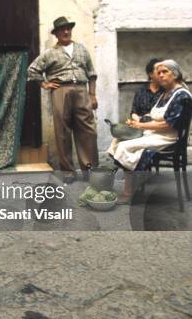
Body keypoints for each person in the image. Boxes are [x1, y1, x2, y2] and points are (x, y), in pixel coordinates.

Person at [108, 59, 192, 203]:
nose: (160, 75)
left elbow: (169, 124)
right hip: (156, 134)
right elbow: (156, 118)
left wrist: (141, 126)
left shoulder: (182, 95)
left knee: (124, 146)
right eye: (158, 72)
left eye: (165, 71)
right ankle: (135, 184)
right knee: (119, 140)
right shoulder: (166, 94)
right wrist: (137, 123)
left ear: (176, 74)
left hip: (169, 138)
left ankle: (128, 193)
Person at [27, 16, 99, 182]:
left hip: (82, 89)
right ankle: (67, 170)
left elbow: (92, 74)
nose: (66, 32)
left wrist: (92, 95)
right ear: (56, 33)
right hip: (60, 90)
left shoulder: (82, 49)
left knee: (88, 131)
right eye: (62, 29)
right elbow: (32, 70)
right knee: (63, 131)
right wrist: (44, 84)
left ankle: (90, 169)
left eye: (68, 28)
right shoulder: (50, 53)